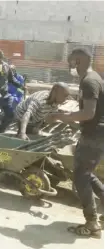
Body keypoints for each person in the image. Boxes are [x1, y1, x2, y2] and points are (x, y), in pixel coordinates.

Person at [47, 48, 104, 238]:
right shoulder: (90, 78)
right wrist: (71, 120)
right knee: (87, 175)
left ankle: (92, 223)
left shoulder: (89, 81)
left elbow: (89, 113)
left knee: (81, 178)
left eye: (70, 62)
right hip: (93, 134)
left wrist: (60, 117)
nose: (68, 66)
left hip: (93, 136)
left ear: (78, 61)